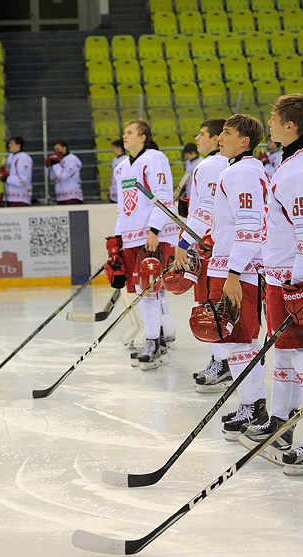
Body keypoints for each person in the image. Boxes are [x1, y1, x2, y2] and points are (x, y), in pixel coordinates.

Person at [239, 93, 303, 476]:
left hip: (295, 277)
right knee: (284, 354)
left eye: (274, 118)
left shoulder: (299, 170)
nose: (269, 124)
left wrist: (301, 283)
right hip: (285, 275)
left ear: (290, 126)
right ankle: (281, 425)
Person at [206, 113, 269, 439]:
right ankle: (251, 401)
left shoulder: (242, 173)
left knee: (240, 338)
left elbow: (249, 228)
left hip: (237, 269)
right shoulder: (242, 170)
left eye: (227, 133)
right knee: (233, 338)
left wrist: (233, 272)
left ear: (244, 141)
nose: (220, 138)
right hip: (230, 265)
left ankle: (255, 405)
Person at [110, 119, 177, 370]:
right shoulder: (121, 168)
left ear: (143, 136)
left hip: (152, 236)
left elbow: (163, 196)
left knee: (151, 289)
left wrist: (154, 230)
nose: (124, 136)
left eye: (129, 132)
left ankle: (152, 341)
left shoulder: (155, 158)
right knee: (143, 291)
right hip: (132, 238)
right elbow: (122, 209)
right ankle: (160, 338)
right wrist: (117, 240)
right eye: (124, 132)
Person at [173, 119, 230, 392]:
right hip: (231, 249)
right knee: (225, 307)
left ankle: (222, 363)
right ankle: (224, 360)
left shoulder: (208, 166)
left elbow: (202, 214)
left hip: (210, 249)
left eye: (202, 133)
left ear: (218, 138)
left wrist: (183, 243)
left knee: (209, 305)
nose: (197, 138)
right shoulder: (235, 164)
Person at [0, 136, 33, 206]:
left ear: (18, 145)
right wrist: (2, 174)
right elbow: (8, 172)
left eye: (11, 143)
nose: (9, 145)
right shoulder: (10, 157)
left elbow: (23, 180)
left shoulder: (24, 158)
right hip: (9, 197)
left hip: (20, 198)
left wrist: (6, 178)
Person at [45, 139, 83, 205]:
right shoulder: (59, 159)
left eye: (58, 149)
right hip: (60, 197)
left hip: (72, 196)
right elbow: (52, 178)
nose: (56, 151)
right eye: (55, 150)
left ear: (64, 148)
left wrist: (55, 164)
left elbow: (63, 176)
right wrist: (49, 167)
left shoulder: (72, 159)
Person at [178, 142, 201, 217]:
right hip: (188, 190)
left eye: (188, 154)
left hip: (197, 192)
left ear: (193, 153)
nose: (186, 156)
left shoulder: (201, 162)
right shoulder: (188, 162)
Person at [108, 138, 125, 203]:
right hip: (114, 190)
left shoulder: (125, 160)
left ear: (119, 148)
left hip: (121, 190)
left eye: (114, 148)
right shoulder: (115, 160)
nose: (112, 150)